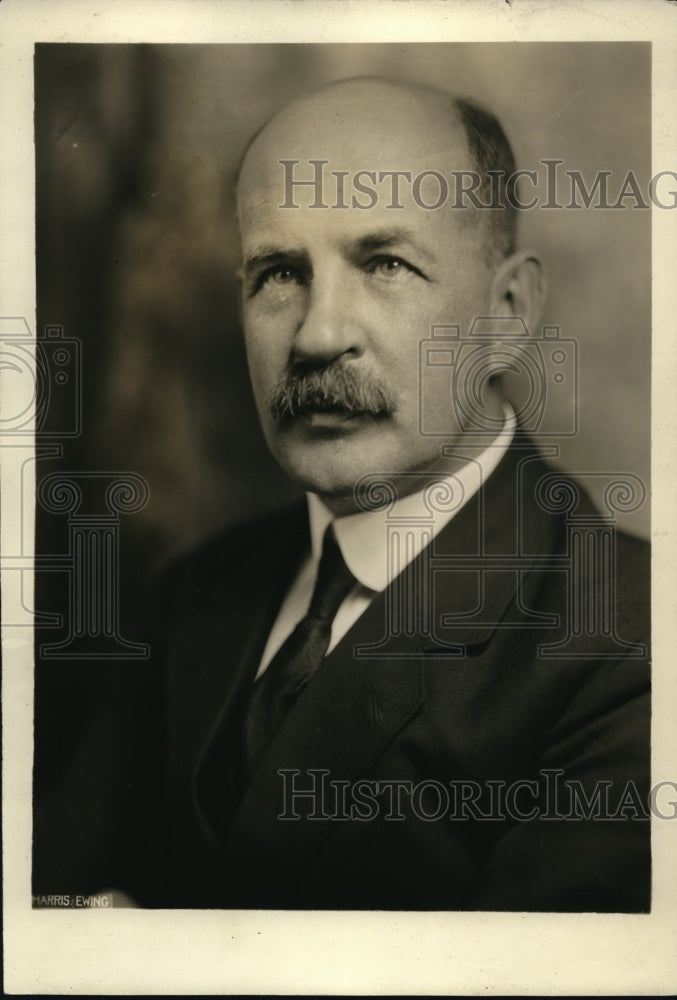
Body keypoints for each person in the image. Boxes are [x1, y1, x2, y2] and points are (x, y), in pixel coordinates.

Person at [33, 76, 650, 911]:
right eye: (279, 273)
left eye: (385, 263)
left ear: (506, 312)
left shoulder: (632, 645)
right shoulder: (190, 595)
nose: (318, 334)